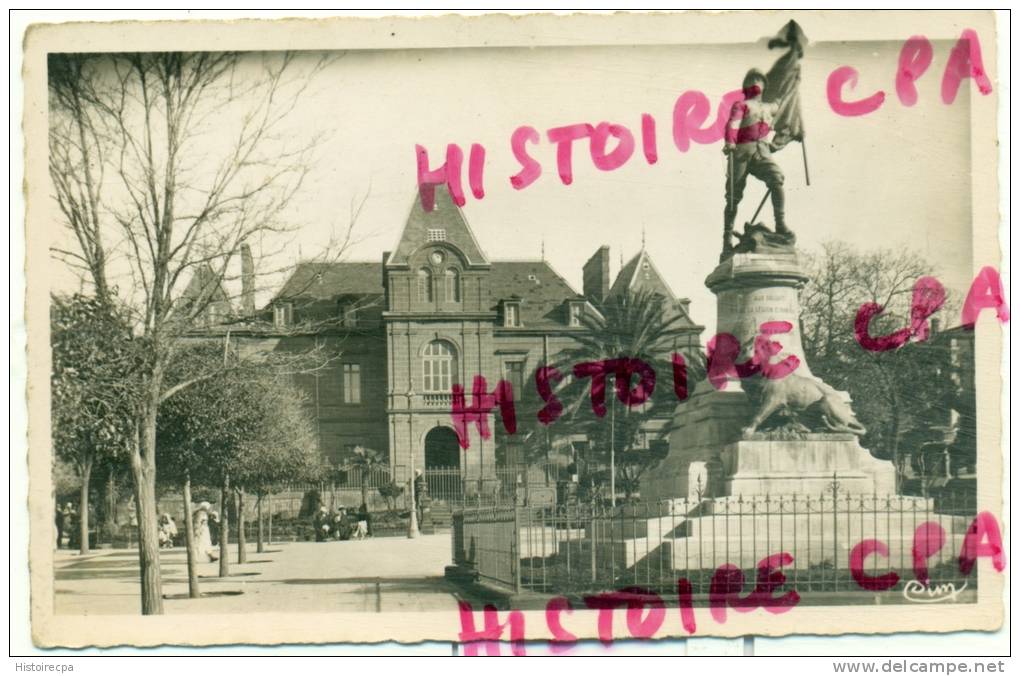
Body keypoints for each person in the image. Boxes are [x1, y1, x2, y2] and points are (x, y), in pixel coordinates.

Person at [722, 68, 787, 253]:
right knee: (733, 197)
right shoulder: (741, 105)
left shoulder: (769, 108)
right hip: (742, 151)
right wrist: (730, 142)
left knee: (777, 178)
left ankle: (780, 224)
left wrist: (792, 81)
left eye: (759, 80)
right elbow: (732, 124)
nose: (755, 83)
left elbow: (785, 104)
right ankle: (727, 238)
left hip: (763, 151)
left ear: (764, 86)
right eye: (751, 80)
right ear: (746, 87)